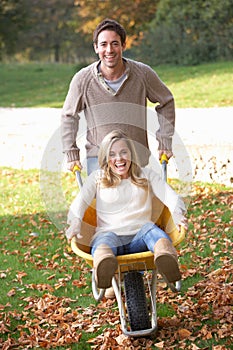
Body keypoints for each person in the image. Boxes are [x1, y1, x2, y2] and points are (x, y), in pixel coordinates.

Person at [66, 130, 187, 293]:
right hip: (109, 235)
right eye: (112, 154)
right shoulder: (97, 178)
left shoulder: (146, 175)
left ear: (131, 153)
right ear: (105, 158)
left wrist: (178, 214)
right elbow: (79, 203)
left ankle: (166, 258)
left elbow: (171, 197)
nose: (119, 159)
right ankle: (104, 269)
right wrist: (75, 222)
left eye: (124, 152)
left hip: (141, 236)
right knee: (103, 243)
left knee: (152, 231)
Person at [61, 18, 175, 175]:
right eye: (103, 44)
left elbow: (166, 101)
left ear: (123, 46)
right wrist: (71, 153)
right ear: (96, 48)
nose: (109, 50)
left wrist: (165, 141)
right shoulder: (82, 79)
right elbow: (69, 116)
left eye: (115, 43)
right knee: (104, 199)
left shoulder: (143, 74)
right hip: (99, 160)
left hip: (136, 159)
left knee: (139, 200)